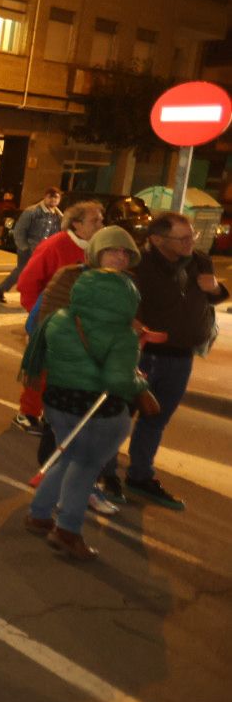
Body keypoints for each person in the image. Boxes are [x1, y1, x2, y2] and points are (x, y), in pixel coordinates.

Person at [20, 267, 154, 561]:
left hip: (58, 403)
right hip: (99, 413)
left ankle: (39, 514)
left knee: (67, 456)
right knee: (85, 467)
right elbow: (117, 380)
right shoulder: (122, 334)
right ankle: (67, 530)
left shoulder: (59, 319)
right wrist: (141, 383)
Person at [103, 212, 228, 510]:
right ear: (157, 239)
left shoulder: (200, 261)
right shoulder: (137, 265)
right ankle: (104, 473)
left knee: (156, 419)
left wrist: (215, 289)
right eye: (182, 238)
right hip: (140, 354)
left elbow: (214, 298)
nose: (190, 242)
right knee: (119, 417)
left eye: (192, 236)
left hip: (181, 357)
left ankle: (140, 475)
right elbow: (115, 302)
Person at [12, 201, 104, 435]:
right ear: (77, 224)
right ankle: (28, 413)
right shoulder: (54, 246)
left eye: (101, 219)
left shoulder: (97, 250)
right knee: (40, 370)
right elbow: (27, 283)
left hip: (78, 327)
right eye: (95, 220)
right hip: (50, 321)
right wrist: (40, 320)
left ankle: (51, 415)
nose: (101, 224)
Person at [0, 187, 62, 303]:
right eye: (51, 196)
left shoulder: (58, 216)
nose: (53, 200)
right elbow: (19, 231)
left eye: (56, 197)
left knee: (44, 275)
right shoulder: (32, 211)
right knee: (22, 271)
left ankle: (36, 299)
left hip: (45, 251)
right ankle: (0, 289)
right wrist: (24, 247)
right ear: (45, 197)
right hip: (29, 249)